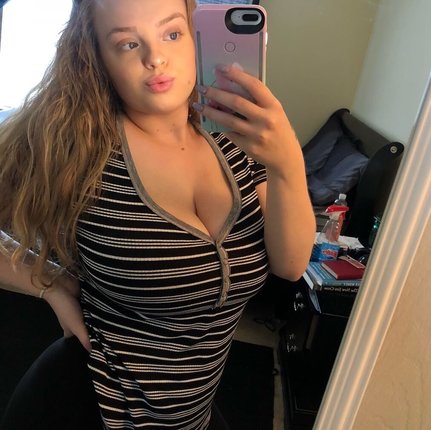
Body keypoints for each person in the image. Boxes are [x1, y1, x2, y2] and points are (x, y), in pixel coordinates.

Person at [0, 0, 315, 428]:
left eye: (172, 34)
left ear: (196, 38)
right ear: (97, 57)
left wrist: (288, 165)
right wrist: (51, 285)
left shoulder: (237, 144)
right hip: (89, 404)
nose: (155, 58)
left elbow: (290, 264)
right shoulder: (77, 149)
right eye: (128, 44)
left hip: (192, 413)